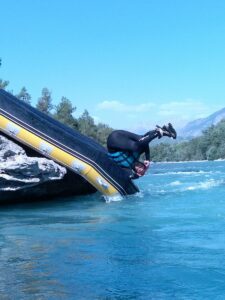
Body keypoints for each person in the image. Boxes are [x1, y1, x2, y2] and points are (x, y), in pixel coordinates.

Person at [107, 123, 177, 179]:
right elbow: (145, 144)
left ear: (135, 171)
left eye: (139, 170)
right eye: (142, 167)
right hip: (120, 135)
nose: (140, 167)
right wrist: (148, 158)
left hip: (113, 141)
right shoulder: (136, 155)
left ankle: (160, 131)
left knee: (137, 145)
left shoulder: (126, 168)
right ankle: (163, 131)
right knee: (141, 139)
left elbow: (129, 176)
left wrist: (136, 176)